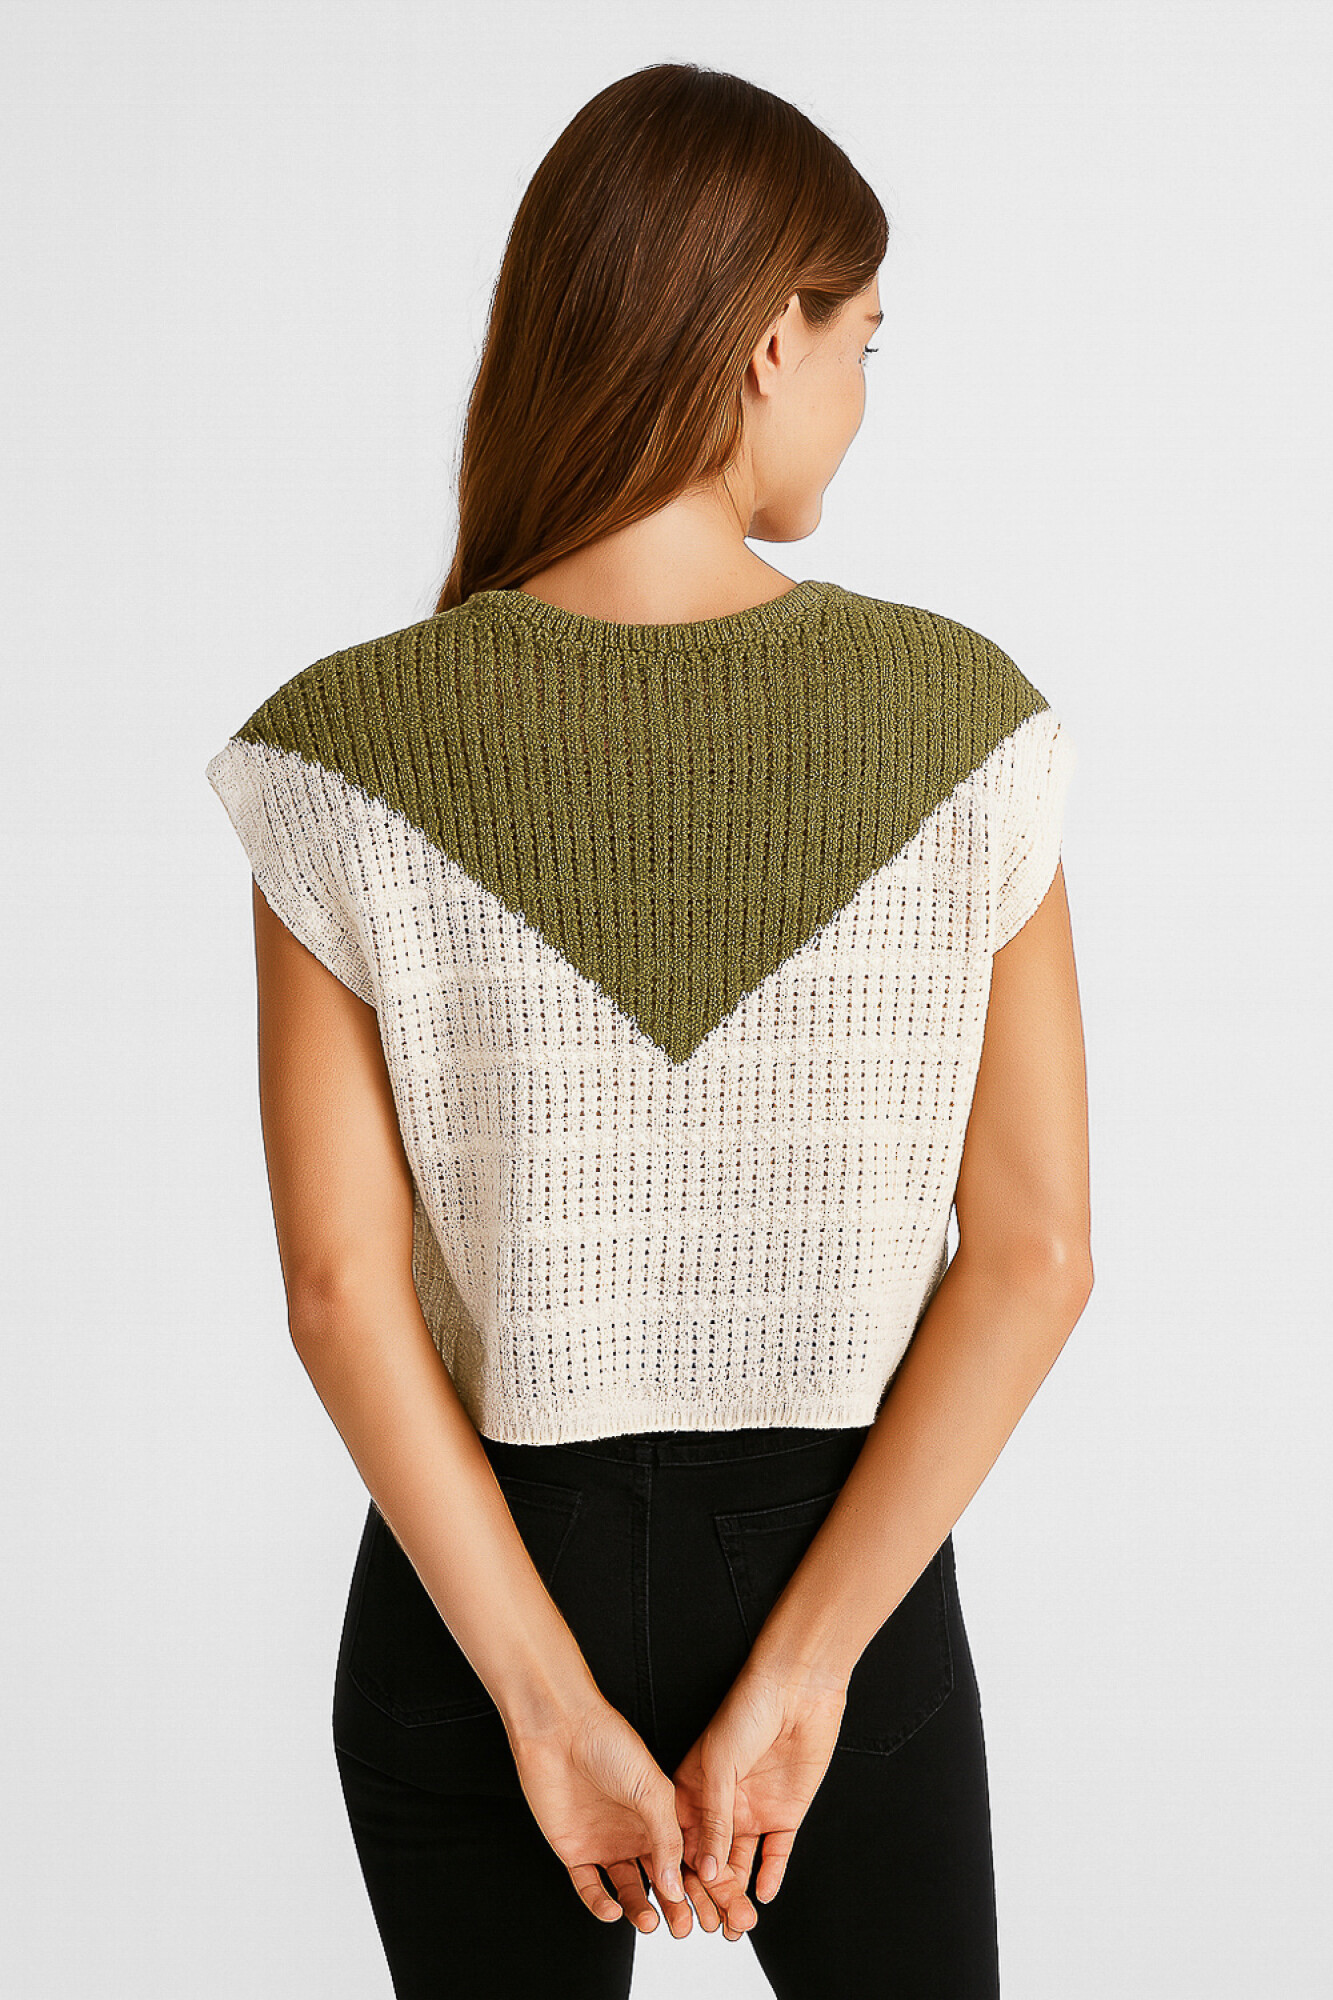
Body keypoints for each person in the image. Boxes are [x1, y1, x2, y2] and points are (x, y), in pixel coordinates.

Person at [205, 59, 1092, 2000]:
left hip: (474, 1612)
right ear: (772, 340)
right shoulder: (967, 725)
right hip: (847, 1584)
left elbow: (342, 1296)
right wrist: (807, 1668)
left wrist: (543, 1701)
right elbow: (1033, 1257)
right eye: (863, 339)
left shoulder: (336, 751)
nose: (861, 389)